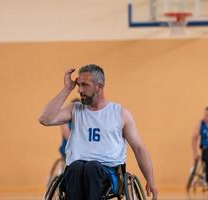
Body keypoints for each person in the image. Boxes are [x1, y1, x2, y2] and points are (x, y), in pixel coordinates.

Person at [38, 64, 157, 200]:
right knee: (76, 167)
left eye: (84, 85)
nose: (79, 90)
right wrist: (66, 90)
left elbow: (139, 148)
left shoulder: (120, 114)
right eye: (78, 85)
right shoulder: (75, 109)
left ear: (99, 87)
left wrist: (151, 180)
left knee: (92, 167)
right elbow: (44, 119)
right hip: (76, 171)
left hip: (108, 172)